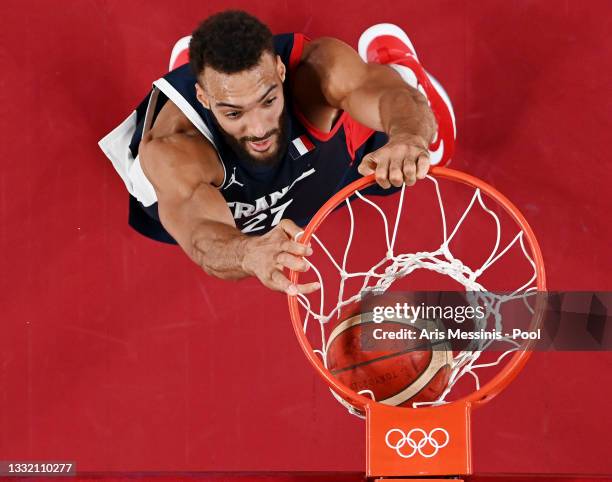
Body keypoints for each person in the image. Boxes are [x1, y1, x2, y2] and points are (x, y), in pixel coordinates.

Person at [98, 10, 456, 295]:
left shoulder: (316, 70)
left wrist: (409, 135)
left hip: (312, 161)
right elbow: (200, 233)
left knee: (392, 161)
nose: (257, 128)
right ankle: (187, 74)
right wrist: (246, 253)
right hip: (227, 197)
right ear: (205, 99)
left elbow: (386, 96)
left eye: (267, 100)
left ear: (281, 71)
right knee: (154, 185)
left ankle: (400, 65)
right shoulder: (173, 149)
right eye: (234, 111)